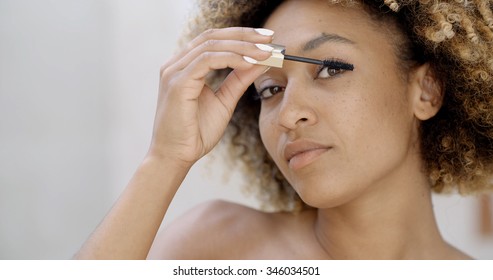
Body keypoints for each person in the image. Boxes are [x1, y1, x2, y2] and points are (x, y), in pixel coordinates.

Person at [76, 0, 493, 259]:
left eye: (329, 69)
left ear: (427, 90)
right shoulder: (216, 250)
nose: (288, 114)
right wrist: (165, 159)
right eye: (271, 89)